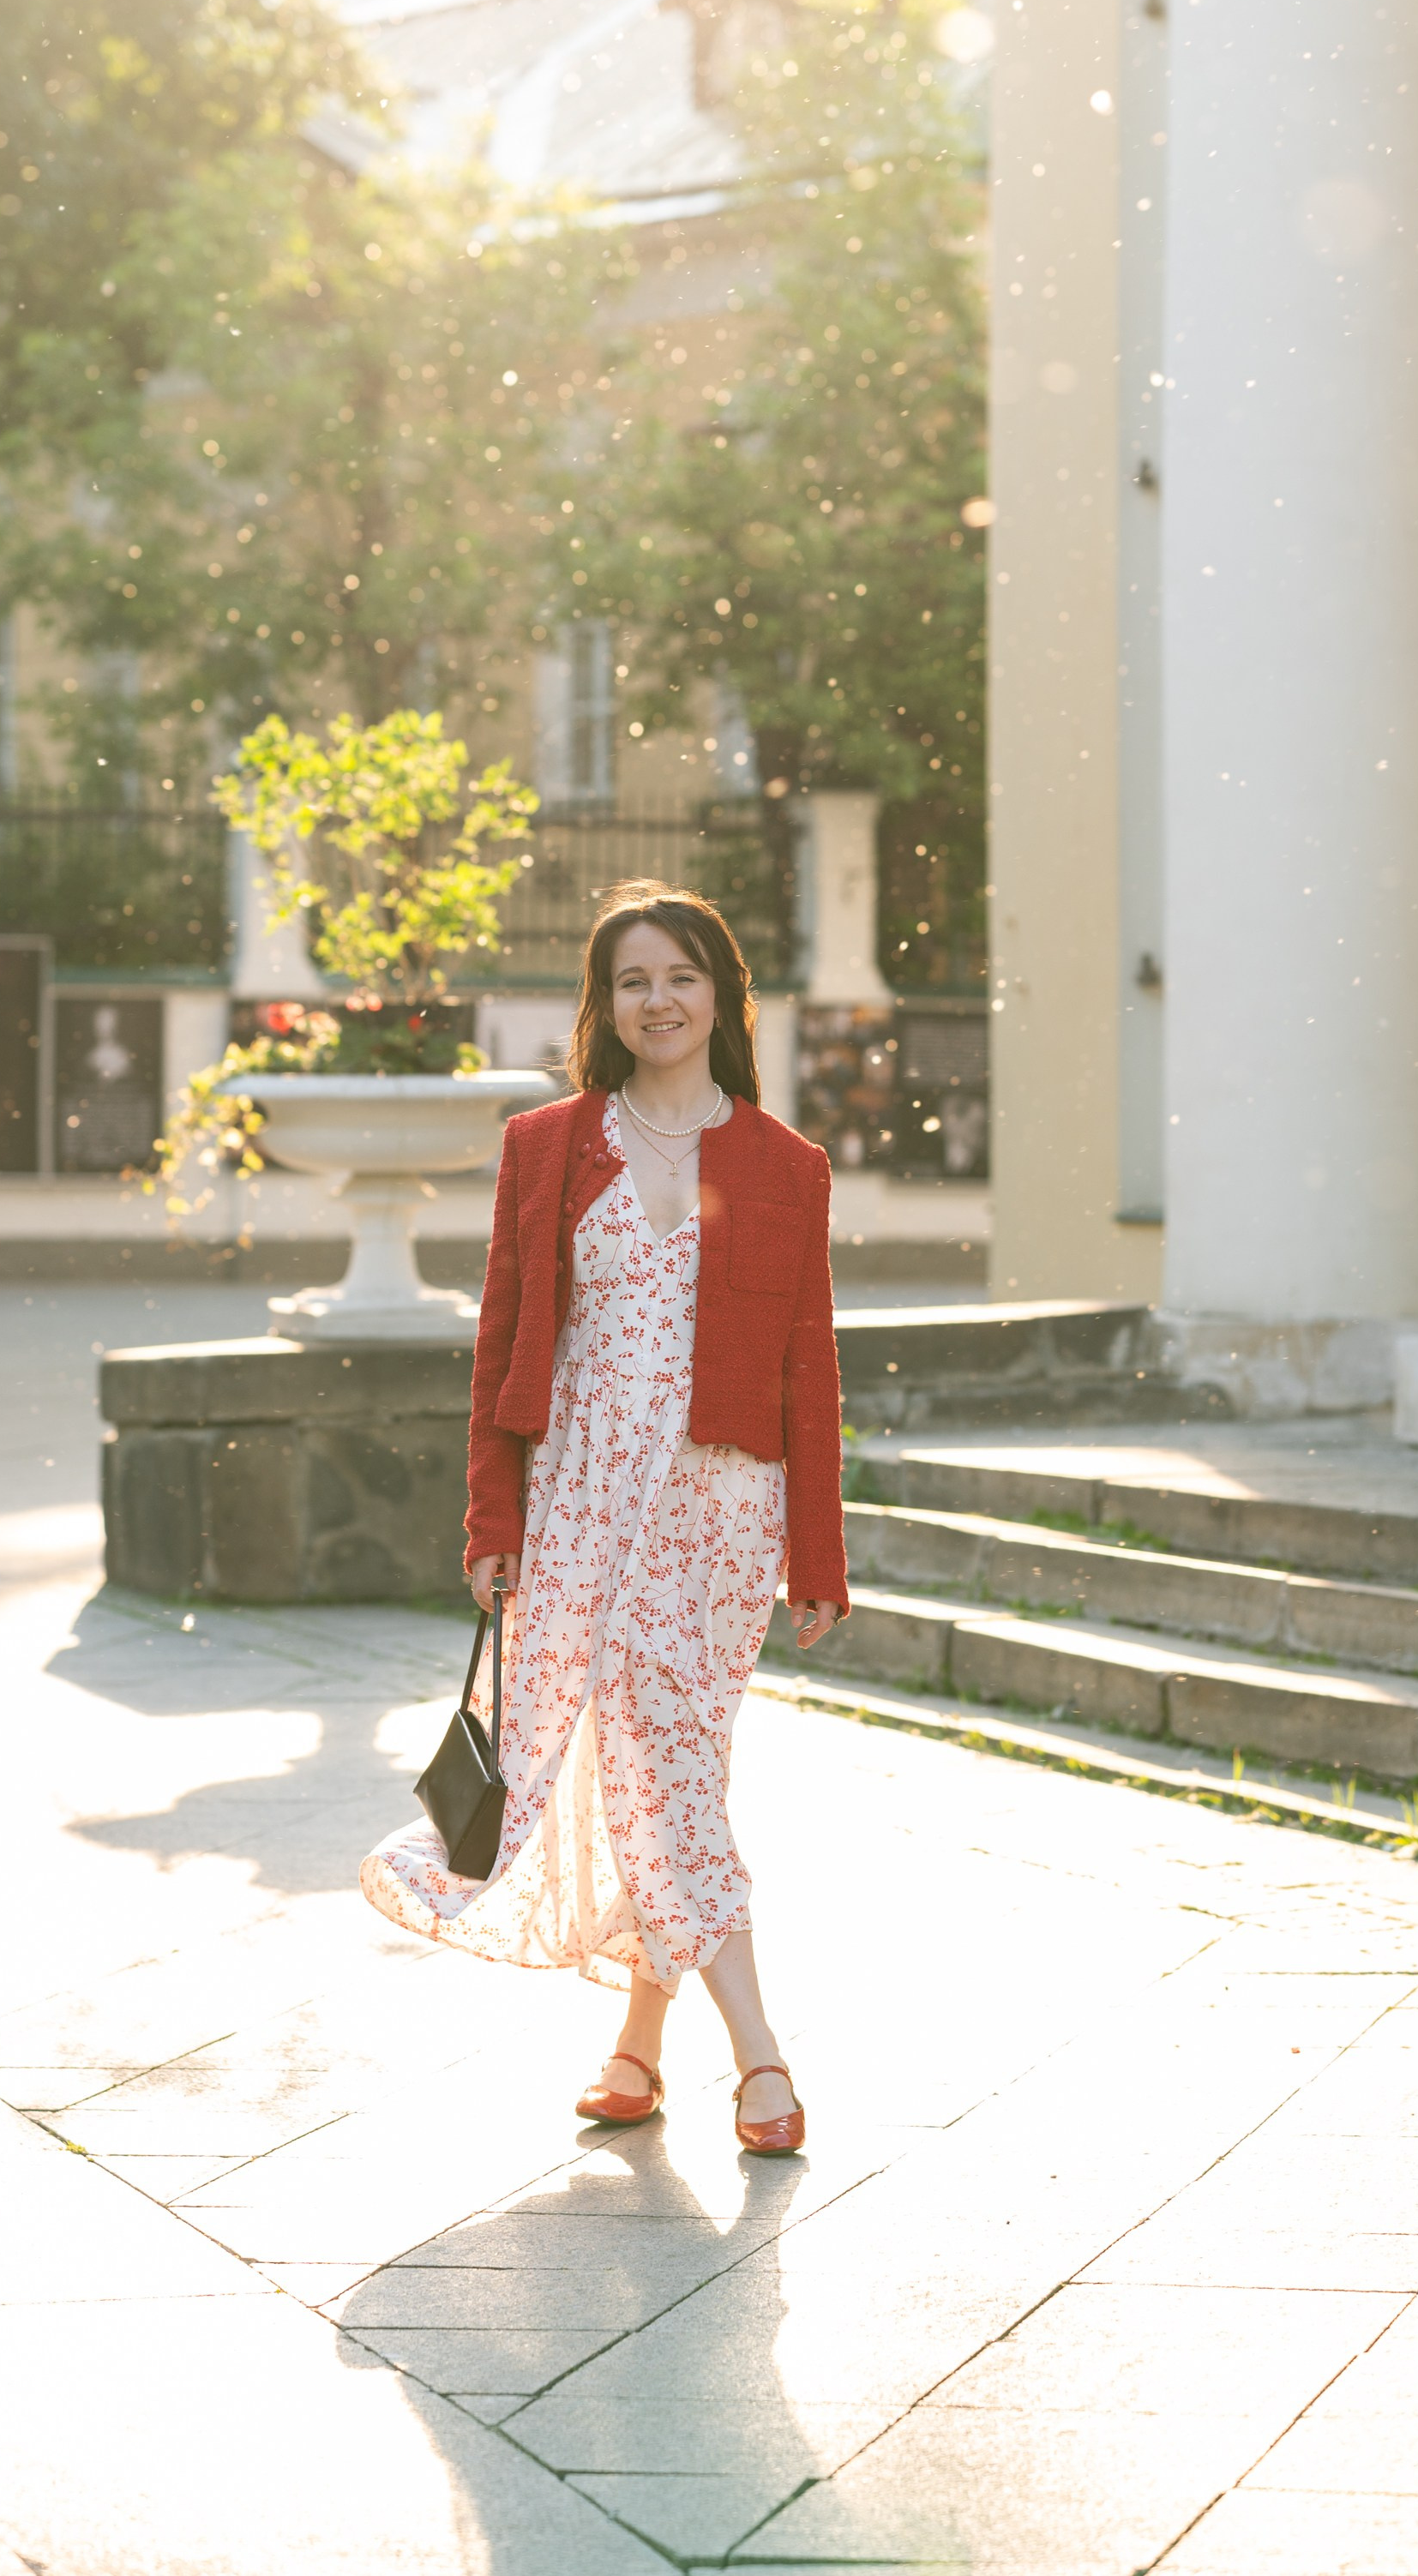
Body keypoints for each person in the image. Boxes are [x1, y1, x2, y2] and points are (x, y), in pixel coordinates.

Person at [360, 880, 846, 2153]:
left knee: (670, 1761)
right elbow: (504, 1346)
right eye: (632, 981)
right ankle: (758, 2060)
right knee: (655, 1759)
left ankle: (637, 2046)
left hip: (723, 1510)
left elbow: (809, 1365)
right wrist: (490, 1519)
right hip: (579, 1501)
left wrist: (819, 1555)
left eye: (680, 976)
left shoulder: (788, 1168)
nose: (657, 1001)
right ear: (603, 1004)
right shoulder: (548, 1147)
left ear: (720, 995)